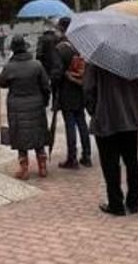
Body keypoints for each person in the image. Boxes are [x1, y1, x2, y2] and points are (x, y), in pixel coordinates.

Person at [85, 62, 138, 216]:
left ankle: (116, 203)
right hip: (129, 118)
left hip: (106, 118)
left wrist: (93, 109)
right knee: (132, 161)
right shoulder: (133, 60)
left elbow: (88, 89)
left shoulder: (96, 61)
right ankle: (133, 200)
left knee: (110, 163)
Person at [0, 36, 52, 180]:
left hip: (16, 106)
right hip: (36, 104)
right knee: (39, 135)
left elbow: (1, 82)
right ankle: (42, 167)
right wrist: (44, 102)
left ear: (13, 49)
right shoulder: (37, 64)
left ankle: (24, 169)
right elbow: (46, 86)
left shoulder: (10, 66)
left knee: (20, 137)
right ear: (26, 47)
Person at [53, 18, 92, 169]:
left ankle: (72, 158)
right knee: (81, 122)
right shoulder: (80, 46)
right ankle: (87, 156)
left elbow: (57, 73)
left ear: (62, 29)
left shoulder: (61, 48)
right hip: (79, 89)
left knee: (70, 125)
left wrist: (55, 82)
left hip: (66, 91)